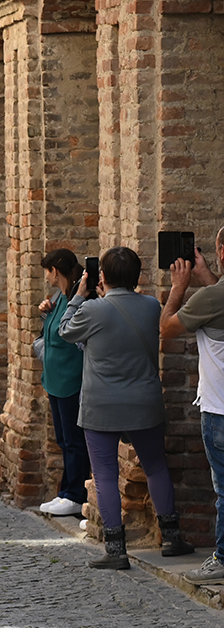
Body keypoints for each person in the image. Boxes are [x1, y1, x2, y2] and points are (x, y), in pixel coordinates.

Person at [59, 246, 194, 569]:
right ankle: (172, 537)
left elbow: (65, 330)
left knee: (105, 474)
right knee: (156, 467)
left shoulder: (92, 310)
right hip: (143, 401)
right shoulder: (150, 306)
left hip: (101, 404)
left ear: (101, 277)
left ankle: (116, 550)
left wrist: (79, 295)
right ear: (138, 276)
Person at [160, 231, 224, 584]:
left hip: (219, 411)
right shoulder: (214, 295)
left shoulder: (212, 298)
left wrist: (179, 287)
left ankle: (223, 558)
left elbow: (167, 328)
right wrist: (205, 277)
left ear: (222, 251)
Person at [36, 249, 93, 517]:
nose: (45, 276)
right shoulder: (58, 298)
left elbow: (69, 331)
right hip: (55, 379)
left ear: (54, 271)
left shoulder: (77, 298)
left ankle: (75, 494)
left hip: (71, 378)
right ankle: (65, 490)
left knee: (74, 440)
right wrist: (45, 312)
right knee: (64, 438)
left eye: (46, 271)